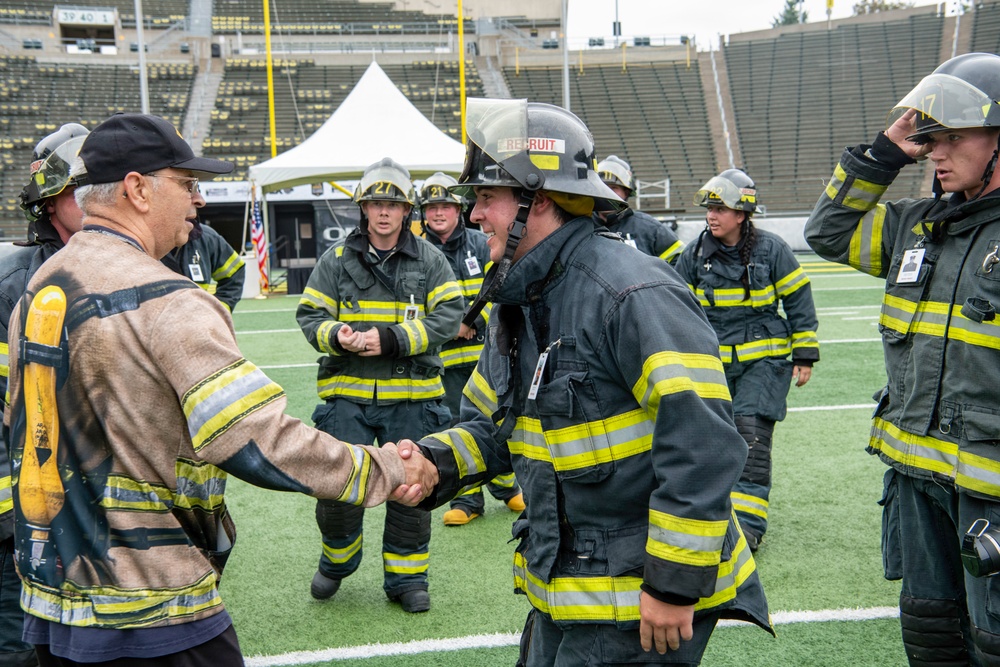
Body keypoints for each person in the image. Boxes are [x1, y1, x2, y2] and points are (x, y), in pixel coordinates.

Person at [3, 113, 436, 665]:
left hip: (56, 602)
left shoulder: (38, 289)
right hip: (151, 602)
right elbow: (256, 438)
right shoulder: (165, 297)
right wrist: (389, 469)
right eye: (186, 184)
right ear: (137, 189)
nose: (199, 201)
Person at [397, 98, 772, 665]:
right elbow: (492, 425)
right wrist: (436, 462)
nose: (474, 216)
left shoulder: (629, 291)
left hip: (642, 596)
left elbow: (702, 441)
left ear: (538, 200)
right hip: (571, 584)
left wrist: (672, 583)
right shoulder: (518, 299)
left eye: (486, 198)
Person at [805, 52, 1000, 664]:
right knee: (932, 641)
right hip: (917, 490)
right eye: (929, 138)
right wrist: (885, 154)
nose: (935, 151)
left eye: (952, 137)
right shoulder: (916, 227)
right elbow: (827, 233)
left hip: (990, 500)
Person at [296, 158, 463, 613]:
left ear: (406, 210)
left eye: (392, 203)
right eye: (375, 203)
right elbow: (311, 316)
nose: (384, 211)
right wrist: (338, 336)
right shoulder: (335, 261)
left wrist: (391, 339)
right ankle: (338, 560)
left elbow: (449, 315)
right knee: (336, 485)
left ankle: (407, 581)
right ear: (363, 209)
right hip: (346, 397)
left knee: (411, 489)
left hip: (413, 399)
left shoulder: (431, 260)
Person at [674, 169, 819, 552]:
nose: (711, 215)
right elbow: (674, 309)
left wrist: (804, 354)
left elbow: (798, 300)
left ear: (742, 214)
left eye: (720, 208)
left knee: (751, 436)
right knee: (711, 443)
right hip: (712, 367)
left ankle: (749, 526)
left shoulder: (772, 250)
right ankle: (716, 515)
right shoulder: (693, 256)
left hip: (765, 363)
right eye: (709, 208)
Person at [0, 123, 90, 667]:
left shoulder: (126, 266)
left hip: (95, 509)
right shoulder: (14, 285)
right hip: (22, 515)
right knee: (23, 648)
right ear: (49, 204)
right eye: (81, 191)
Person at [418, 172, 524, 526]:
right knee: (456, 423)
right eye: (432, 208)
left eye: (445, 206)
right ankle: (468, 499)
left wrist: (473, 323)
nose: (438, 214)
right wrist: (450, 327)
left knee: (494, 418)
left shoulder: (482, 243)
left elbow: (502, 285)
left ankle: (507, 488)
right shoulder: (418, 254)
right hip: (443, 358)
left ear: (458, 210)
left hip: (485, 351)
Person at [594, 155, 684, 263]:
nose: (607, 193)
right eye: (602, 186)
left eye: (614, 187)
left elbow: (681, 263)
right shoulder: (581, 226)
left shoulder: (650, 229)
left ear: (626, 192)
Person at [162, 223, 245, 311]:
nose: (194, 210)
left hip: (198, 321)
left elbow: (235, 272)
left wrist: (217, 310)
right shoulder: (147, 242)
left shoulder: (206, 237)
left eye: (196, 207)